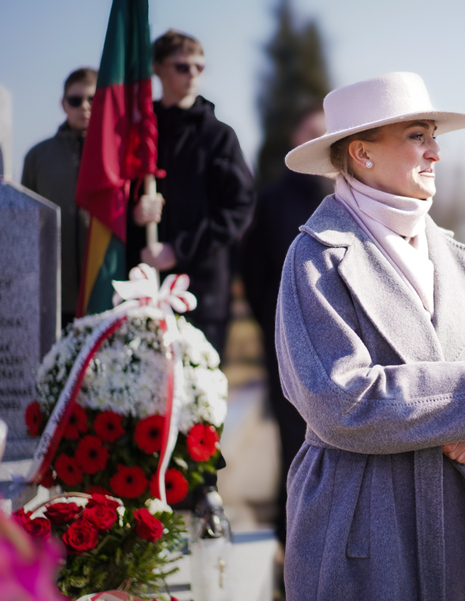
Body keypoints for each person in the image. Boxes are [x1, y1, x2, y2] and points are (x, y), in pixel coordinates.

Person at [275, 72, 465, 600]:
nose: (435, 152)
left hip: (457, 519)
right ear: (361, 153)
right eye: (417, 136)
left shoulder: (451, 254)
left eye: (434, 136)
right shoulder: (316, 256)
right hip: (357, 523)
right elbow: (337, 400)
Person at [128, 29, 255, 356]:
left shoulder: (220, 136)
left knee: (200, 400)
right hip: (142, 290)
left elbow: (239, 208)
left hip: (204, 297)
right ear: (158, 68)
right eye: (183, 66)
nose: (193, 75)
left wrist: (178, 250)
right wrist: (134, 214)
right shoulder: (139, 134)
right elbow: (114, 199)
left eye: (199, 67)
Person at [240, 102, 331, 550]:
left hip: (344, 347)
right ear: (299, 141)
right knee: (294, 441)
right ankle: (292, 536)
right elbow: (255, 273)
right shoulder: (271, 201)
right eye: (313, 133)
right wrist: (276, 327)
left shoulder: (347, 200)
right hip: (287, 343)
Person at [22, 67, 97, 329]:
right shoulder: (38, 156)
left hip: (103, 290)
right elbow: (25, 223)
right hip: (54, 293)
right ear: (63, 104)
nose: (85, 107)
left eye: (92, 99)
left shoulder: (118, 156)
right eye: (76, 100)